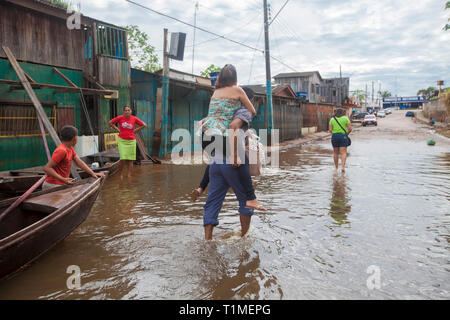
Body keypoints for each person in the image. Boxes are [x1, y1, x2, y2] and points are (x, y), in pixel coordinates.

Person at [199, 64, 263, 240]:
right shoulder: (242, 109)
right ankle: (244, 238)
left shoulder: (216, 93)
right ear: (235, 79)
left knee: (212, 201)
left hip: (214, 160)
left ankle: (208, 240)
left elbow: (214, 116)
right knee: (246, 200)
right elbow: (249, 113)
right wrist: (236, 155)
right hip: (231, 161)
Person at [192, 87, 265, 211]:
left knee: (213, 199)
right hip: (231, 157)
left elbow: (206, 122)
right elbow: (234, 128)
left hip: (213, 148)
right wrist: (236, 154)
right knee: (244, 197)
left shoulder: (225, 109)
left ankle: (201, 188)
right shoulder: (244, 111)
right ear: (249, 99)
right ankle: (251, 198)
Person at [43, 125, 105, 189]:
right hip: (52, 185)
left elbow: (79, 162)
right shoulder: (61, 150)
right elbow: (47, 168)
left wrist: (93, 173)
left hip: (61, 183)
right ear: (74, 138)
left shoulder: (70, 148)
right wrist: (62, 179)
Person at [109, 106, 146, 179]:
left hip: (131, 141)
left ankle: (129, 175)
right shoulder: (120, 118)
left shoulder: (134, 118)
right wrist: (117, 129)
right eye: (125, 110)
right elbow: (110, 122)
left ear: (131, 111)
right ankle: (120, 175)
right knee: (122, 158)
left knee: (130, 160)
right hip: (122, 140)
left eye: (128, 110)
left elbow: (144, 125)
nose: (127, 111)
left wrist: (135, 130)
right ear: (124, 112)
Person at [329, 108, 352, 172]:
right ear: (343, 113)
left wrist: (334, 134)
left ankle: (336, 168)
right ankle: (342, 167)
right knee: (343, 153)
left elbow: (330, 130)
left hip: (334, 136)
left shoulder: (332, 119)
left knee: (335, 153)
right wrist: (346, 134)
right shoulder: (345, 118)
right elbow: (350, 129)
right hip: (343, 136)